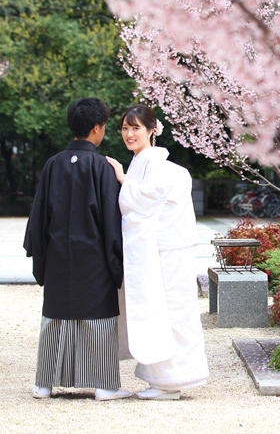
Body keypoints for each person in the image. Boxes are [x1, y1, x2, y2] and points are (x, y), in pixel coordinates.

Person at [23, 97, 130, 401]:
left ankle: (44, 383)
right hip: (94, 257)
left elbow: (39, 216)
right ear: (97, 128)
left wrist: (41, 254)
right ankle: (105, 385)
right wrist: (116, 260)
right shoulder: (103, 166)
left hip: (57, 254)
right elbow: (112, 218)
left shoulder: (53, 163)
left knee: (55, 315)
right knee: (99, 318)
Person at [106, 104, 209, 400]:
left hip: (167, 251)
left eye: (136, 128)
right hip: (158, 250)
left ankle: (173, 381)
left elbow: (144, 199)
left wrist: (125, 182)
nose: (129, 134)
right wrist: (127, 179)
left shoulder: (159, 165)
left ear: (152, 130)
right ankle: (161, 379)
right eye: (125, 128)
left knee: (172, 312)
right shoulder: (144, 162)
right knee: (157, 311)